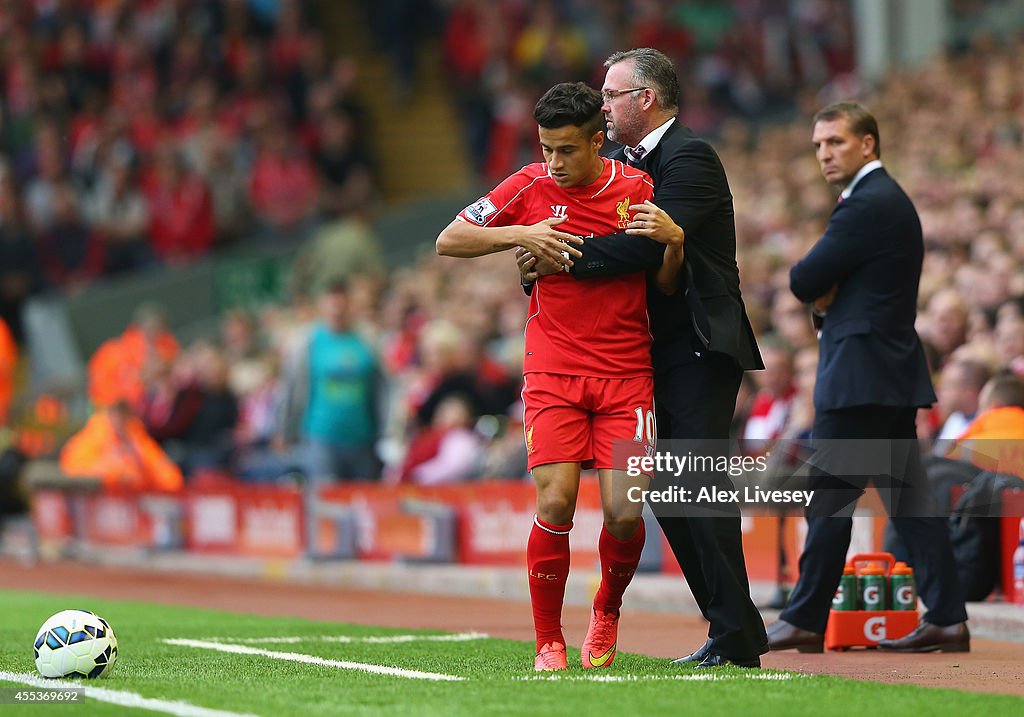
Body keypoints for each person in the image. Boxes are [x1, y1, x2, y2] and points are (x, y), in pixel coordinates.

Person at [519, 48, 766, 668]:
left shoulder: (691, 158)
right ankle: (732, 625)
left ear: (644, 100)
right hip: (648, 351)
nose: (602, 106)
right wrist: (536, 263)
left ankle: (735, 633)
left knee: (697, 483)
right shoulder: (627, 166)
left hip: (699, 347)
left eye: (611, 96)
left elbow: (642, 250)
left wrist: (557, 257)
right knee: (665, 491)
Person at [436, 82, 657, 672]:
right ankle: (547, 641)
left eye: (566, 150)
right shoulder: (528, 186)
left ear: (597, 140)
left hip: (627, 373)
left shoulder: (636, 189)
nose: (555, 163)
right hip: (553, 370)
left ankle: (606, 609)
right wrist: (520, 234)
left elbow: (656, 273)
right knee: (557, 502)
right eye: (546, 149)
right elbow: (449, 238)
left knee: (625, 512)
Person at [767, 101, 969, 653]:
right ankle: (948, 617)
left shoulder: (867, 203)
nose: (825, 154)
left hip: (860, 376)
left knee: (828, 496)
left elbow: (805, 277)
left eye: (835, 142)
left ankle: (805, 617)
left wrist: (822, 294)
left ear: (868, 145)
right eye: (818, 145)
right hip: (886, 371)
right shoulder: (881, 201)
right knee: (910, 501)